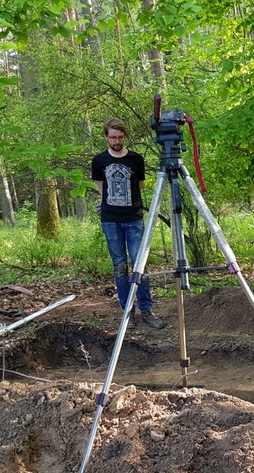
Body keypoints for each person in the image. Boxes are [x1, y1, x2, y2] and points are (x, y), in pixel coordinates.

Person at [92, 119, 165, 329]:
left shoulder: (136, 159)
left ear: (125, 137)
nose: (116, 140)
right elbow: (101, 188)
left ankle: (146, 309)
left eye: (120, 137)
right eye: (113, 137)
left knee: (139, 264)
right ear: (106, 136)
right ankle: (127, 311)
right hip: (110, 220)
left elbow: (139, 186)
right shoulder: (99, 161)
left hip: (134, 218)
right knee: (120, 267)